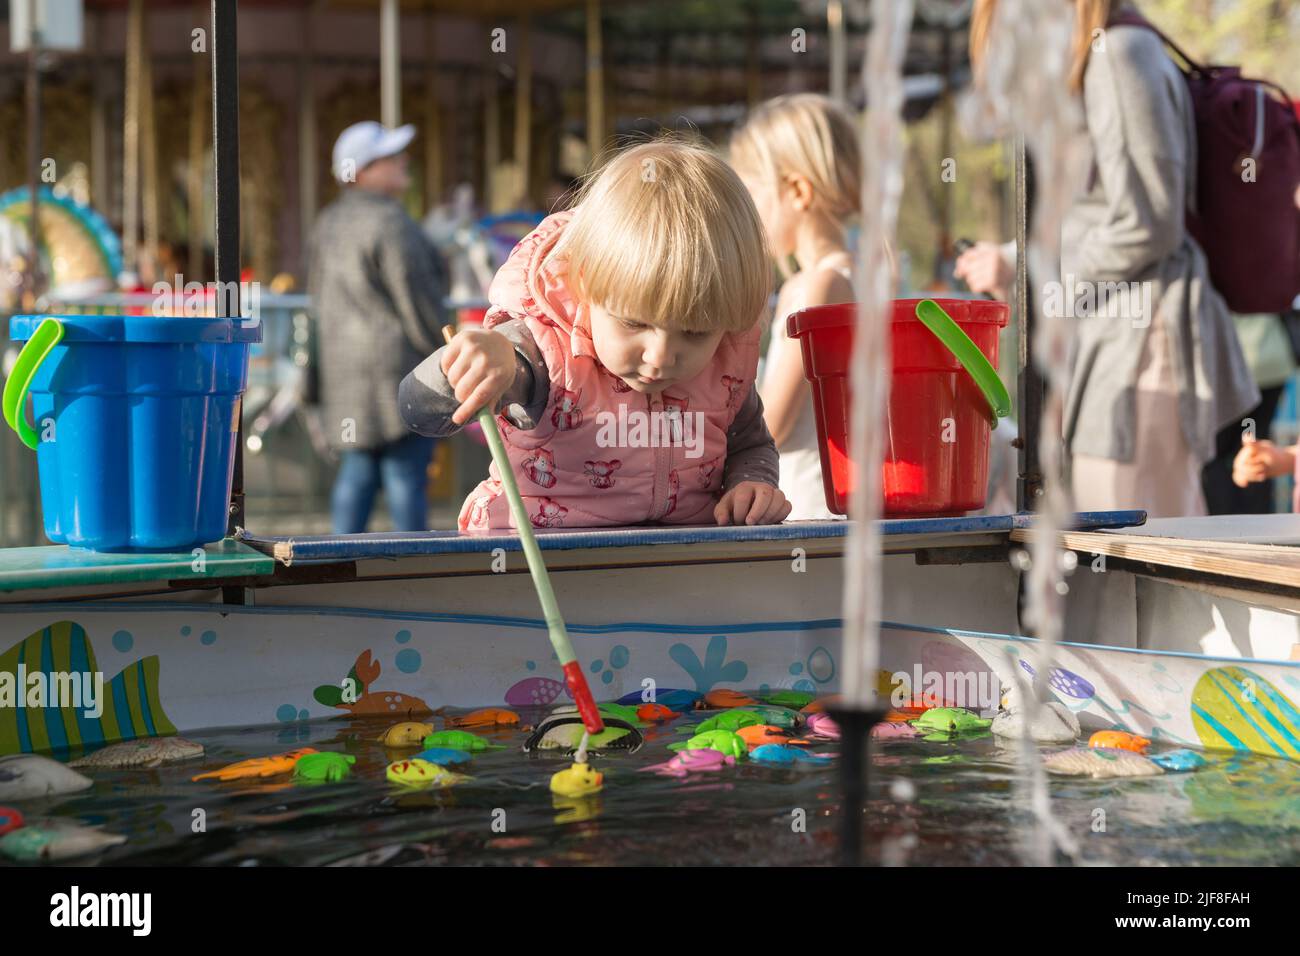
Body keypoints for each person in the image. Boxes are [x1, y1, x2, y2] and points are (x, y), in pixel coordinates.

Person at [398, 140, 792, 530]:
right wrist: (475, 366)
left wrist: (751, 484)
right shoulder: (539, 353)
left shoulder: (724, 365)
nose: (660, 356)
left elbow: (749, 444)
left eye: (695, 332)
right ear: (583, 284)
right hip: (534, 566)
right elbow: (417, 409)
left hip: (673, 569)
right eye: (634, 324)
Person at [970, 0, 1258, 518]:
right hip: (1125, 341)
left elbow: (1148, 223)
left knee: (1135, 558)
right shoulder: (1108, 48)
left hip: (1142, 343)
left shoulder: (1118, 53)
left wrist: (1029, 275)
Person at [308, 121, 447, 533]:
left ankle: (334, 563)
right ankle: (417, 567)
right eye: (389, 158)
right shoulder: (392, 222)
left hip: (345, 373)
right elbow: (419, 302)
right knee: (406, 475)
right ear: (362, 170)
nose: (403, 162)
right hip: (396, 369)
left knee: (359, 470)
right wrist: (447, 352)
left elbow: (317, 304)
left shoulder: (328, 222)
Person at [729, 94, 860, 520]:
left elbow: (771, 427)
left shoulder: (815, 288)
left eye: (751, 193)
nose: (745, 212)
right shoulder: (871, 275)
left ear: (798, 191)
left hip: (810, 506)